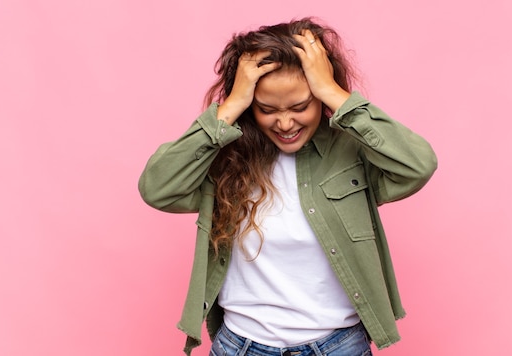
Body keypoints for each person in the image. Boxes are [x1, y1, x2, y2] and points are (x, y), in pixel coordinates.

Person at [139, 17, 437, 356]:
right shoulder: (225, 157)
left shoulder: (350, 150)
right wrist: (231, 106)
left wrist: (333, 93)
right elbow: (157, 188)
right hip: (240, 347)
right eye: (267, 109)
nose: (285, 123)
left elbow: (417, 165)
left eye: (300, 107)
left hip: (339, 347)